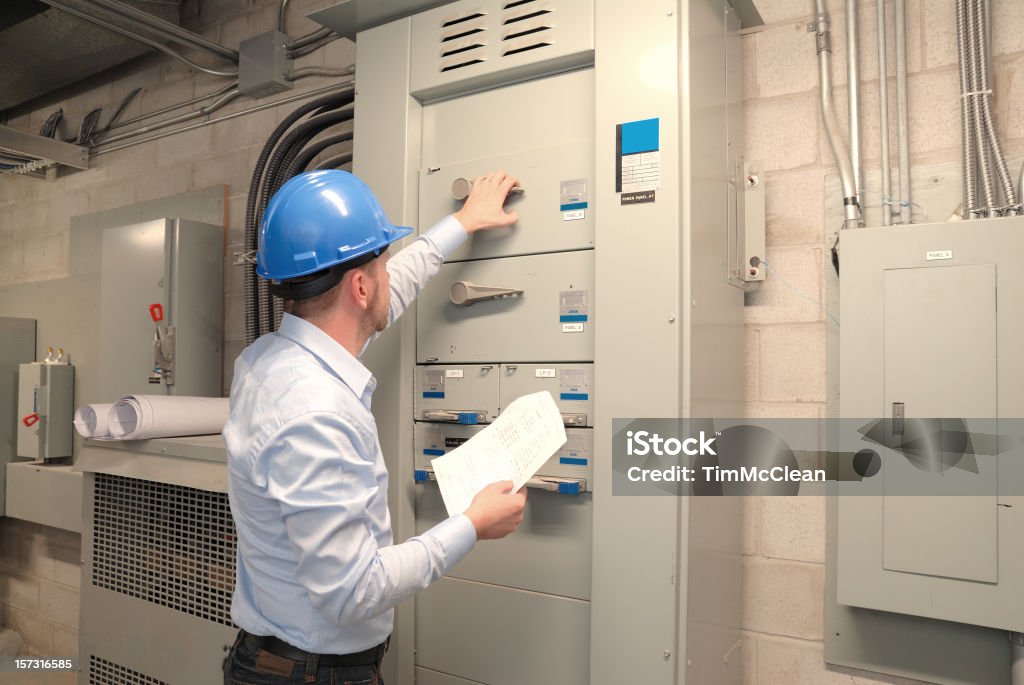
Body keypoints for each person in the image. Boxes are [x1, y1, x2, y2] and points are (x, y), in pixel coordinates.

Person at [223, 169, 528, 685]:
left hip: (282, 662)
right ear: (360, 286)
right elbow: (351, 591)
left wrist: (460, 223)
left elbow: (386, 294)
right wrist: (472, 524)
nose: (390, 273)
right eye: (381, 263)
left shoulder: (268, 360)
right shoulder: (316, 413)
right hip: (309, 675)